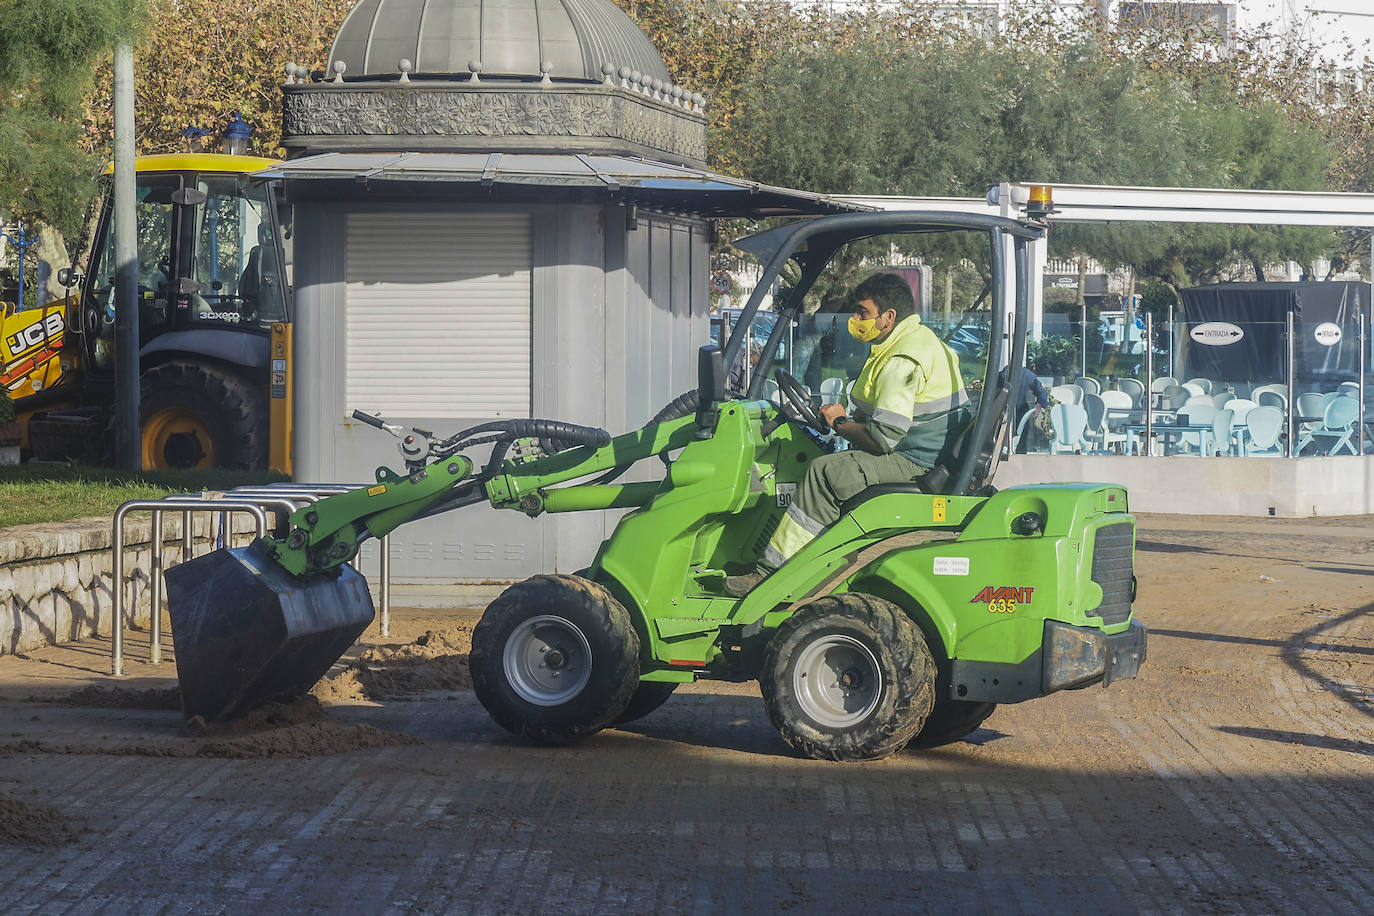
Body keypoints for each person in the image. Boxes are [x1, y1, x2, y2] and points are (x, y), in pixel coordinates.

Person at [724, 272, 970, 596]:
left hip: (915, 459)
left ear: (889, 317)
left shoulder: (902, 359)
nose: (856, 320)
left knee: (823, 473)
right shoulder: (917, 340)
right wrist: (845, 418)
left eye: (862, 313)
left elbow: (883, 438)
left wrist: (840, 423)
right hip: (925, 450)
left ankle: (772, 577)